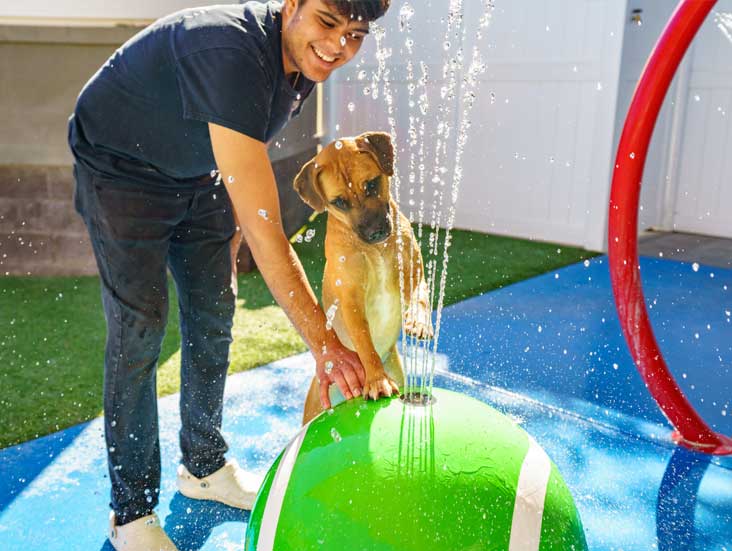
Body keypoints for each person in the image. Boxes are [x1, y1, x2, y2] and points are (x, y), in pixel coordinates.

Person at [67, 0, 390, 548]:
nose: (338, 46)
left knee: (214, 315)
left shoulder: (304, 60)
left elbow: (245, 143)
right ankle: (131, 515)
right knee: (140, 330)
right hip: (121, 172)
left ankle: (204, 468)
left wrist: (237, 210)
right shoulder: (230, 48)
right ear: (291, 6)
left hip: (199, 173)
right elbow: (270, 237)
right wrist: (326, 345)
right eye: (328, 23)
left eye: (355, 33)